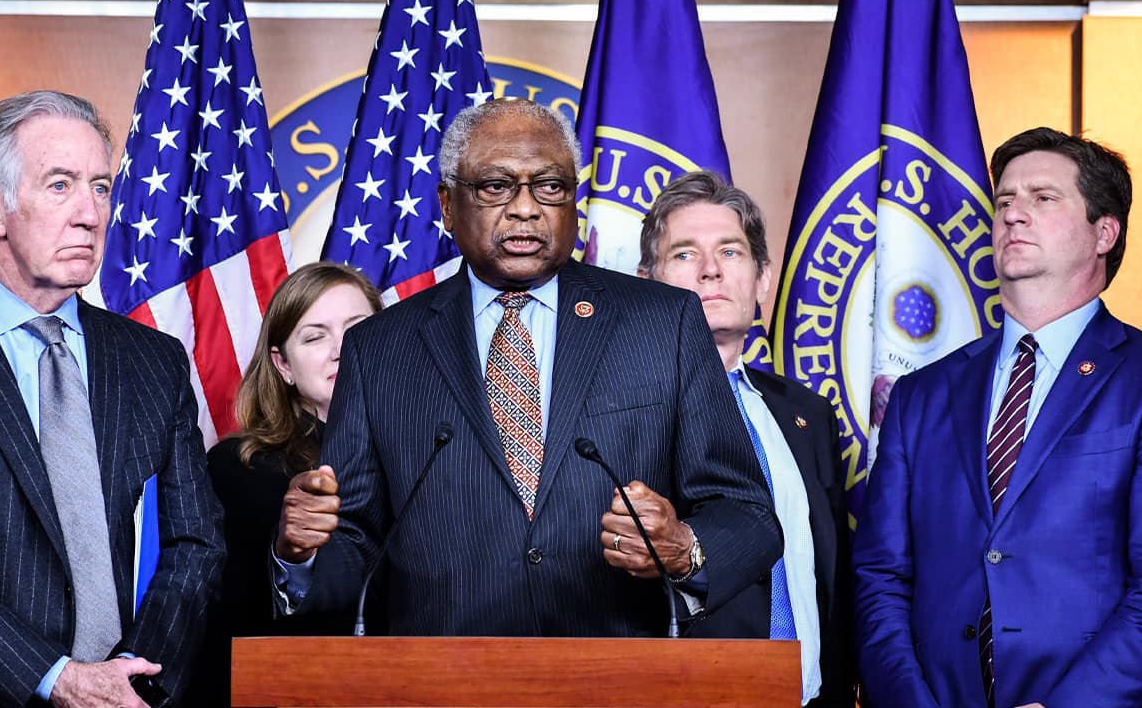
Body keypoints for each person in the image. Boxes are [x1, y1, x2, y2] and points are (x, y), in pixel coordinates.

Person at [272, 98, 782, 636]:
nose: (525, 209)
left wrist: (685, 549)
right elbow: (356, 540)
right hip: (442, 673)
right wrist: (301, 553)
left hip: (619, 666)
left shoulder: (664, 322)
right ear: (447, 205)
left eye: (550, 186)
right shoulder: (378, 348)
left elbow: (746, 512)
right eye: (495, 186)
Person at [0, 90, 225, 707]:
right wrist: (59, 680)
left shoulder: (156, 361)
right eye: (60, 185)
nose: (90, 214)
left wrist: (131, 682)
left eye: (100, 187)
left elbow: (195, 544)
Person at [854, 127, 1142, 707]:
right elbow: (880, 578)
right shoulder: (920, 395)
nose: (1014, 214)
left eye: (1043, 198)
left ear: (1104, 232)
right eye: (1005, 201)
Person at [637, 171, 853, 705]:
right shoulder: (619, 413)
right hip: (687, 695)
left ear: (762, 280)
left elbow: (831, 579)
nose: (711, 270)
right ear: (646, 282)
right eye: (685, 254)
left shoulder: (808, 414)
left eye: (730, 252)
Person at [194, 262, 381, 703]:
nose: (342, 349)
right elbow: (232, 624)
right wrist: (292, 554)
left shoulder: (430, 449)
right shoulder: (241, 469)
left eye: (358, 329)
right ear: (283, 366)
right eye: (315, 337)